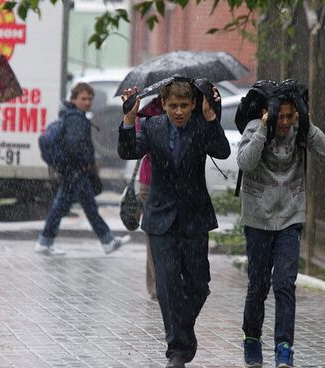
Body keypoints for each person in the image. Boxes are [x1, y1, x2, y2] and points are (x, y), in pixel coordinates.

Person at [118, 80, 230, 368]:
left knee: (198, 284)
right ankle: (177, 351)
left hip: (195, 217)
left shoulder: (201, 124)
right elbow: (128, 151)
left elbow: (222, 151)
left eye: (183, 106)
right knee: (166, 286)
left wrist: (211, 117)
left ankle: (183, 333)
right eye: (172, 106)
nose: (178, 112)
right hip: (160, 217)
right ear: (164, 105)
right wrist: (129, 119)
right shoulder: (153, 126)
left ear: (192, 104)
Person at [236, 80, 325, 368]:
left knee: (284, 283)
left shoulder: (300, 130)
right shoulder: (254, 128)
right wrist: (262, 130)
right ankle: (252, 339)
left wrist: (308, 126)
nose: (284, 122)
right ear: (270, 113)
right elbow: (245, 162)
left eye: (290, 116)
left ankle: (284, 348)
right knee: (258, 285)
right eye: (280, 116)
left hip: (290, 219)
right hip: (257, 218)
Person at [35, 82, 130, 256]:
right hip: (76, 171)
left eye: (89, 99)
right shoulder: (76, 118)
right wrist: (85, 162)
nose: (87, 102)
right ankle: (44, 241)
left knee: (87, 207)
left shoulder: (72, 116)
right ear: (73, 99)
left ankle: (107, 241)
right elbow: (75, 147)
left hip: (75, 171)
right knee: (62, 207)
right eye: (83, 98)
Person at [134, 96, 165, 300]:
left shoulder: (191, 106)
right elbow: (136, 146)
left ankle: (171, 281)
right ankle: (156, 285)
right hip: (151, 180)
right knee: (153, 234)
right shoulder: (147, 113)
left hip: (178, 183)